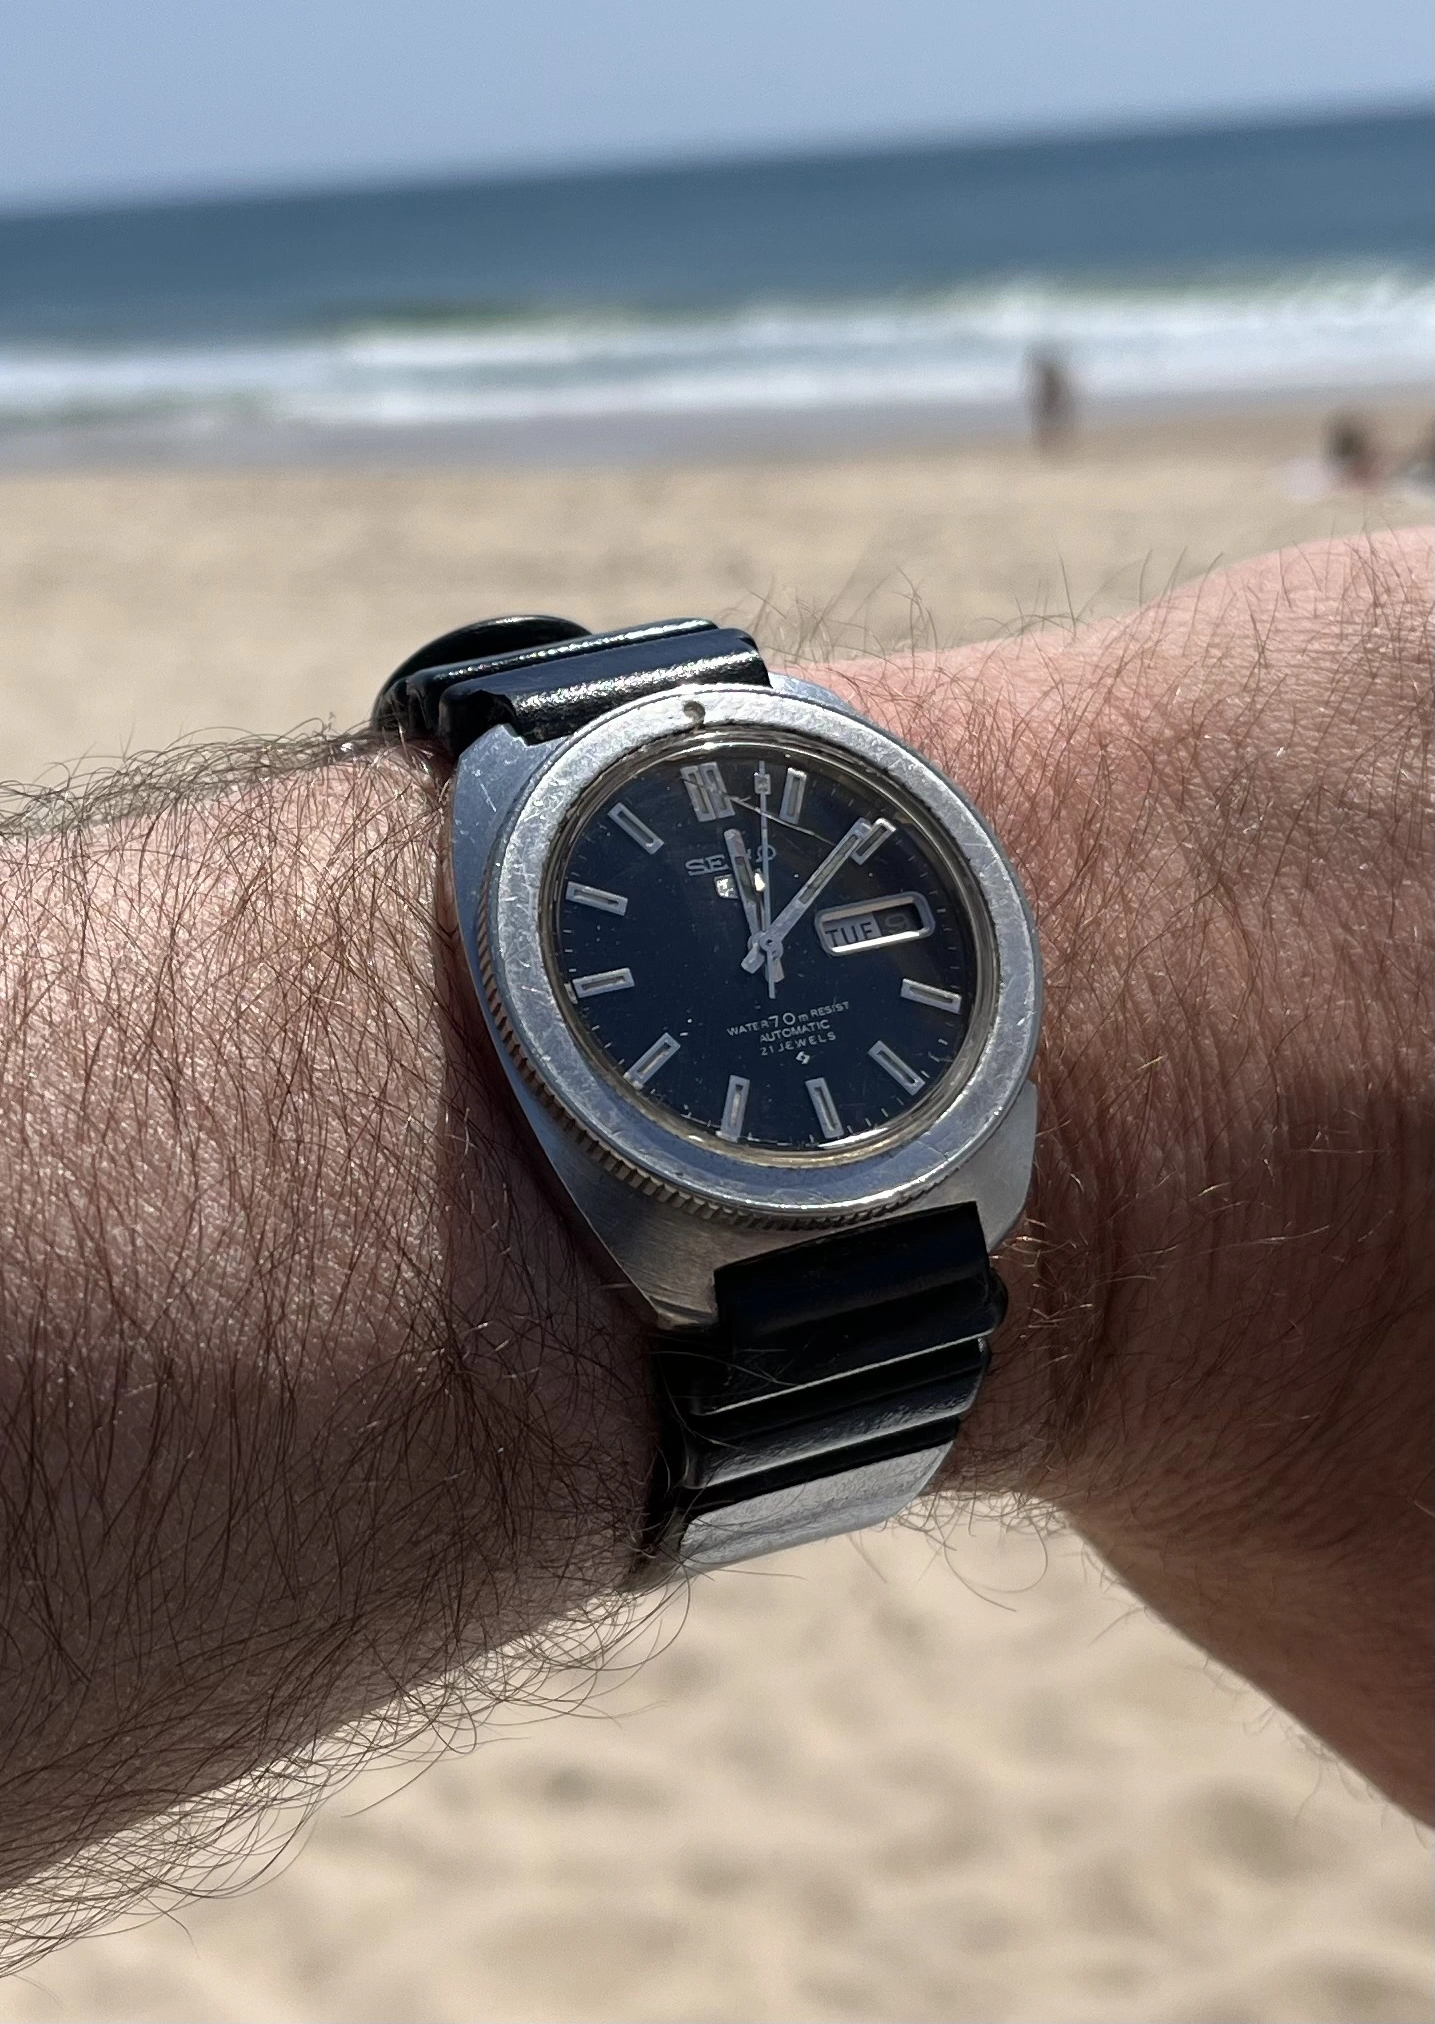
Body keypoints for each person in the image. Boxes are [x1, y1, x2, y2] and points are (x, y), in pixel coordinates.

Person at [0, 530, 1428, 1940]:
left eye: (784, 934)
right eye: (749, 952)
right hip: (734, 1201)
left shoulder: (951, 1099)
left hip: (882, 1156)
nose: (763, 958)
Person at [1027, 349, 1075, 449]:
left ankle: (1053, 442)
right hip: (1050, 402)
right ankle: (1049, 443)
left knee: (1053, 420)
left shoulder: (1053, 380)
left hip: (1052, 402)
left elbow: (1062, 393)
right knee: (1048, 420)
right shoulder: (1048, 380)